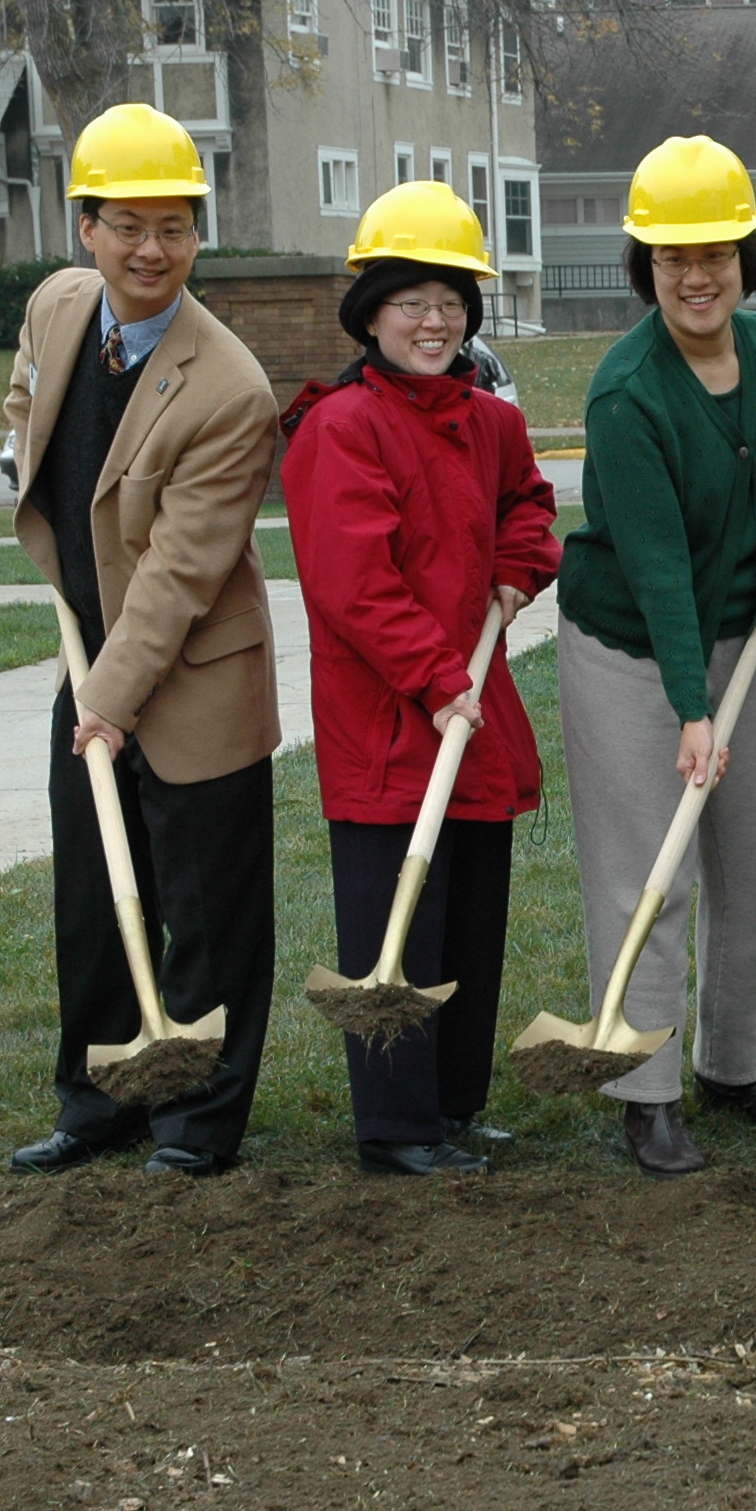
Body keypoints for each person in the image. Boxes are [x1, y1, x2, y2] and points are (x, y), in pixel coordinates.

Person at [552, 134, 756, 1178]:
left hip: (746, 639)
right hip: (635, 650)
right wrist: (690, 708)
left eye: (714, 252)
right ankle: (646, 1091)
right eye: (671, 256)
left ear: (744, 256)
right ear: (646, 266)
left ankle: (732, 1065)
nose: (695, 274)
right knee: (651, 877)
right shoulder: (627, 393)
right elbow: (657, 570)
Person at [3, 103, 281, 1179]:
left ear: (196, 234)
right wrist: (18, 451)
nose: (151, 249)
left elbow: (178, 576)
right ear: (87, 228)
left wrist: (106, 706)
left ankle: (197, 1123)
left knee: (206, 915)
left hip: (195, 678)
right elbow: (26, 394)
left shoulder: (231, 389)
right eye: (128, 226)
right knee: (92, 899)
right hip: (91, 662)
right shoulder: (58, 307)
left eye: (173, 227)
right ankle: (99, 1105)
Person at [280, 183, 561, 1175]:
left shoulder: (490, 422)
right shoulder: (340, 428)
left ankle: (454, 1105)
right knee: (395, 928)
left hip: (471, 715)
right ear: (371, 316)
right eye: (411, 303)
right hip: (389, 727)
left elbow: (528, 506)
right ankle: (396, 1127)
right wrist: (439, 680)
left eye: (449, 302)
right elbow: (354, 583)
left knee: (469, 926)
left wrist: (519, 568)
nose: (433, 321)